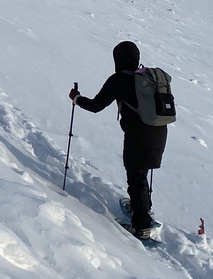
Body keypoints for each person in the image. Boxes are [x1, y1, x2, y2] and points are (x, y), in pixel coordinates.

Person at [69, 41, 167, 239]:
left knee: (136, 177)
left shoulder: (118, 79)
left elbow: (96, 105)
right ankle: (144, 209)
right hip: (159, 131)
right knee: (141, 173)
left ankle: (141, 227)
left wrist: (77, 98)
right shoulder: (148, 78)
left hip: (137, 135)